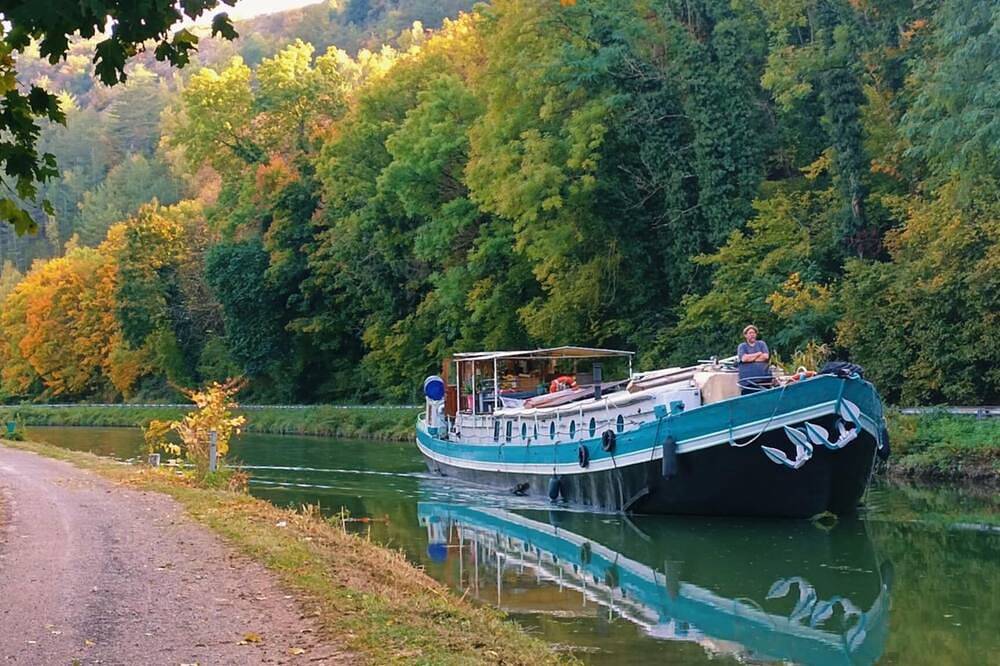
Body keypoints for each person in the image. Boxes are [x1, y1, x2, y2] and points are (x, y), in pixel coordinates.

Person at [737, 325, 770, 395]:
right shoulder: (742, 346)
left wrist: (750, 358)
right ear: (745, 335)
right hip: (748, 382)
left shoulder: (761, 344)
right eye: (750, 333)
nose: (752, 335)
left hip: (764, 380)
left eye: (754, 333)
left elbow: (765, 357)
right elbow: (744, 359)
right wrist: (758, 354)